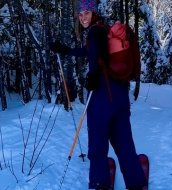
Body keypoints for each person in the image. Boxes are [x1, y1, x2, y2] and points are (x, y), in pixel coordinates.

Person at [49, 0, 148, 189]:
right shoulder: (104, 31)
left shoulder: (95, 32)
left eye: (87, 12)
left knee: (97, 145)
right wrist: (65, 50)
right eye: (80, 14)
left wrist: (93, 74)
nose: (83, 17)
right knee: (124, 142)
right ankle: (136, 182)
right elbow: (92, 51)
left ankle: (99, 183)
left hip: (102, 96)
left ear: (94, 12)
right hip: (119, 94)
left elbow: (94, 54)